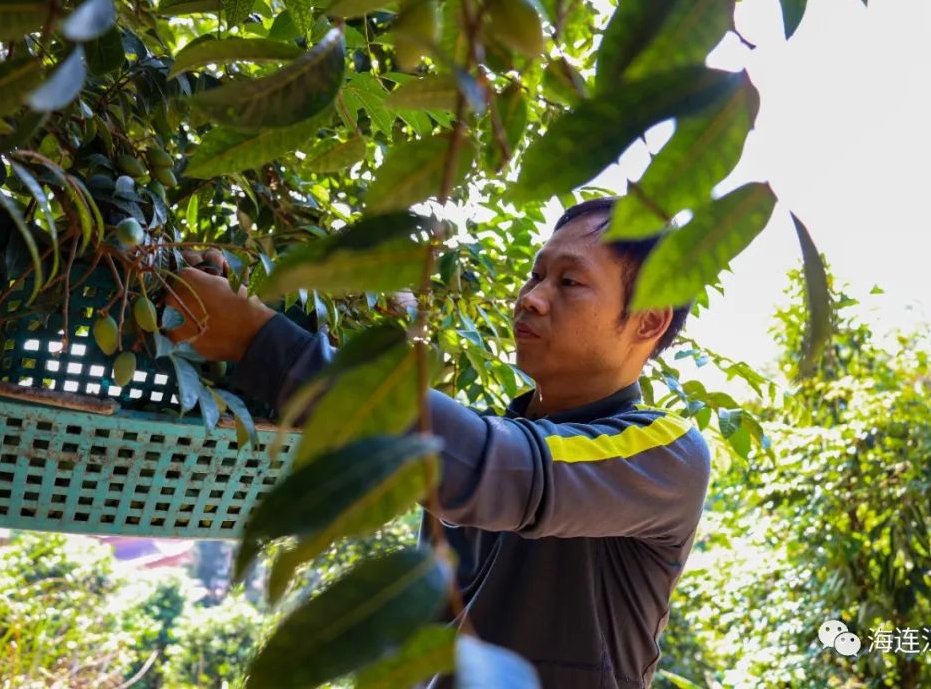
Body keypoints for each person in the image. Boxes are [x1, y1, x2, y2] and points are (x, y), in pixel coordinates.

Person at [167, 197, 712, 689]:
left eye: (569, 282)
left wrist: (258, 339)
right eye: (535, 275)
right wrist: (242, 323)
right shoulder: (486, 444)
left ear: (647, 322)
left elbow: (487, 466)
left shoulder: (664, 456)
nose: (532, 299)